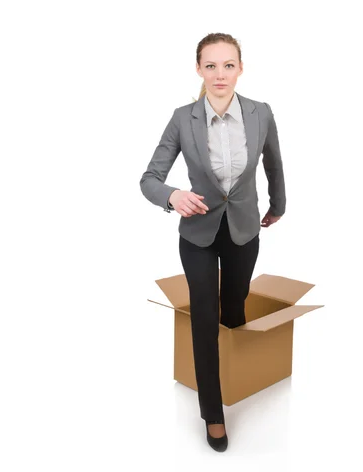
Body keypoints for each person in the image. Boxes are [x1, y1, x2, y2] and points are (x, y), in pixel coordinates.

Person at [140, 33, 286, 452]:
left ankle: (240, 374)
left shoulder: (261, 113)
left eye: (227, 65)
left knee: (235, 307)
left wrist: (278, 206)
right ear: (199, 70)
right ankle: (213, 413)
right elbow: (149, 178)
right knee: (205, 316)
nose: (219, 74)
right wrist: (172, 196)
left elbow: (274, 163)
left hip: (244, 231)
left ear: (240, 68)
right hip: (199, 235)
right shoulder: (182, 117)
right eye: (210, 66)